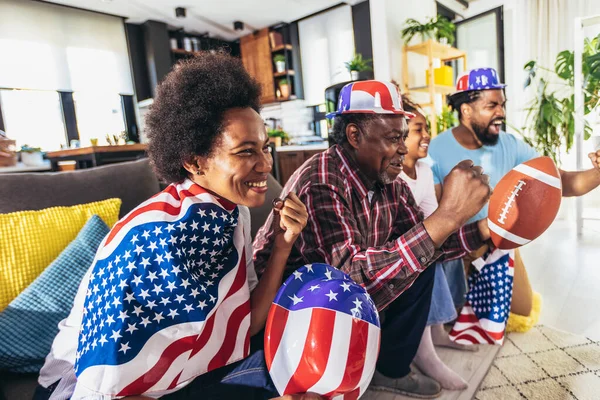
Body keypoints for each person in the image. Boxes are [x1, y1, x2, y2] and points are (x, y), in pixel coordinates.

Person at [35, 51, 310, 400]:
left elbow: (246, 323)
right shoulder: (154, 239)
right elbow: (108, 388)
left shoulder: (231, 214)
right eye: (245, 151)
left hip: (182, 373)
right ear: (194, 161)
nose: (265, 165)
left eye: (266, 148)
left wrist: (284, 243)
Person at [253, 80, 492, 398]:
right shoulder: (321, 181)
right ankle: (321, 378)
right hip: (287, 319)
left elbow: (424, 243)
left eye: (404, 137)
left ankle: (390, 370)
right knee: (417, 249)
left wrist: (486, 231)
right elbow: (348, 278)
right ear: (355, 136)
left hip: (339, 307)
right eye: (394, 138)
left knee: (422, 256)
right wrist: (445, 217)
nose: (404, 149)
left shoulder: (391, 182)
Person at [428, 67, 600, 325]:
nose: (502, 113)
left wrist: (598, 173)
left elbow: (560, 181)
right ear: (466, 110)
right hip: (457, 250)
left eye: (503, 105)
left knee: (522, 310)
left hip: (499, 242)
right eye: (492, 105)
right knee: (455, 318)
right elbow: (433, 215)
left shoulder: (509, 143)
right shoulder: (436, 149)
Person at [385, 96, 474, 391]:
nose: (427, 136)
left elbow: (434, 215)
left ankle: (438, 328)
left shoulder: (423, 169)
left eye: (426, 129)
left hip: (419, 236)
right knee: (427, 256)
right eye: (418, 130)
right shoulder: (393, 177)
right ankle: (426, 353)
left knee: (445, 248)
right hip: (400, 248)